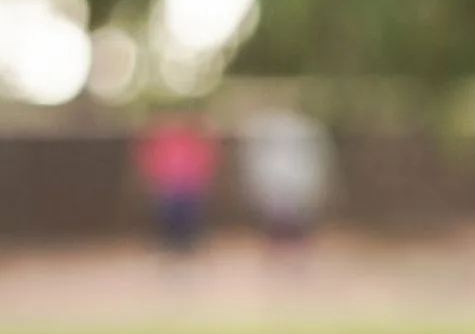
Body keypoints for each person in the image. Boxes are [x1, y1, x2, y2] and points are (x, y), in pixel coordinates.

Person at [237, 106, 331, 251]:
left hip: (295, 185)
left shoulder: (300, 138)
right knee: (277, 219)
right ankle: (279, 247)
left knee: (298, 218)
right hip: (279, 186)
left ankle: (297, 247)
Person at [135, 113, 218, 255]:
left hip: (189, 186)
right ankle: (172, 245)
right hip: (170, 187)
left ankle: (187, 245)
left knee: (190, 217)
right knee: (169, 218)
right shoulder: (163, 143)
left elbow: (204, 161)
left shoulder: (193, 142)